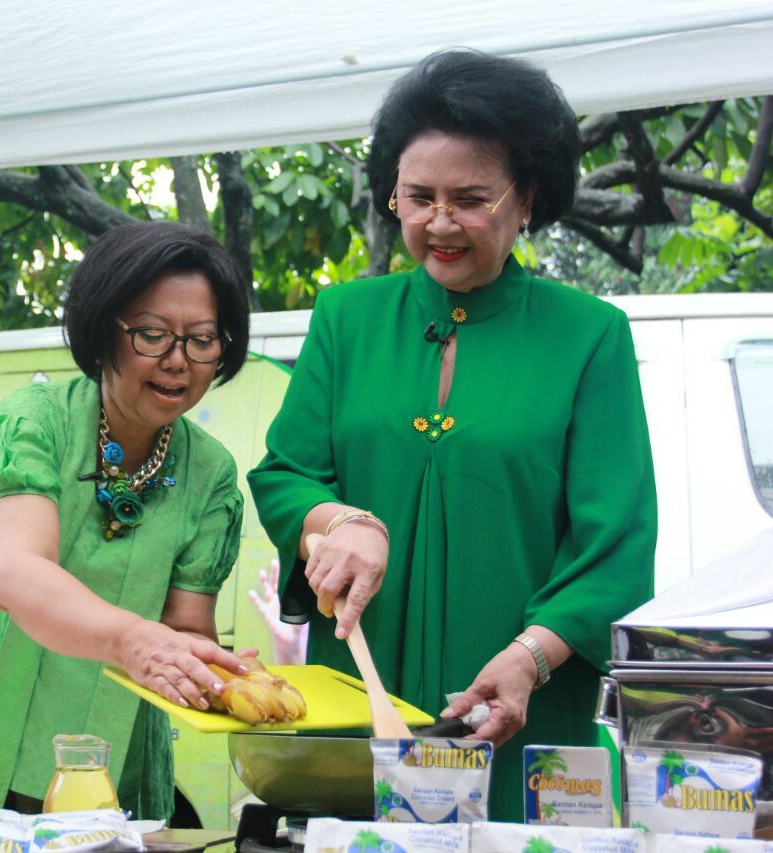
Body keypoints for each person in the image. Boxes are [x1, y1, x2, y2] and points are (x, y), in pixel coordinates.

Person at [248, 49, 656, 821]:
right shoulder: (346, 318)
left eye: (470, 198)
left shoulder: (590, 336)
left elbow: (619, 542)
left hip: (521, 716)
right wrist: (339, 522)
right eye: (418, 197)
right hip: (367, 700)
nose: (439, 222)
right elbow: (284, 473)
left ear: (527, 197)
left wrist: (531, 658)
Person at [0, 220, 252, 820]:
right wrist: (133, 639)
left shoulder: (211, 472)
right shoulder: (37, 420)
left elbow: (187, 624)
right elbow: (13, 572)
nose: (178, 362)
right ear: (104, 328)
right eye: (152, 335)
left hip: (115, 757)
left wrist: (217, 672)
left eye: (202, 339)